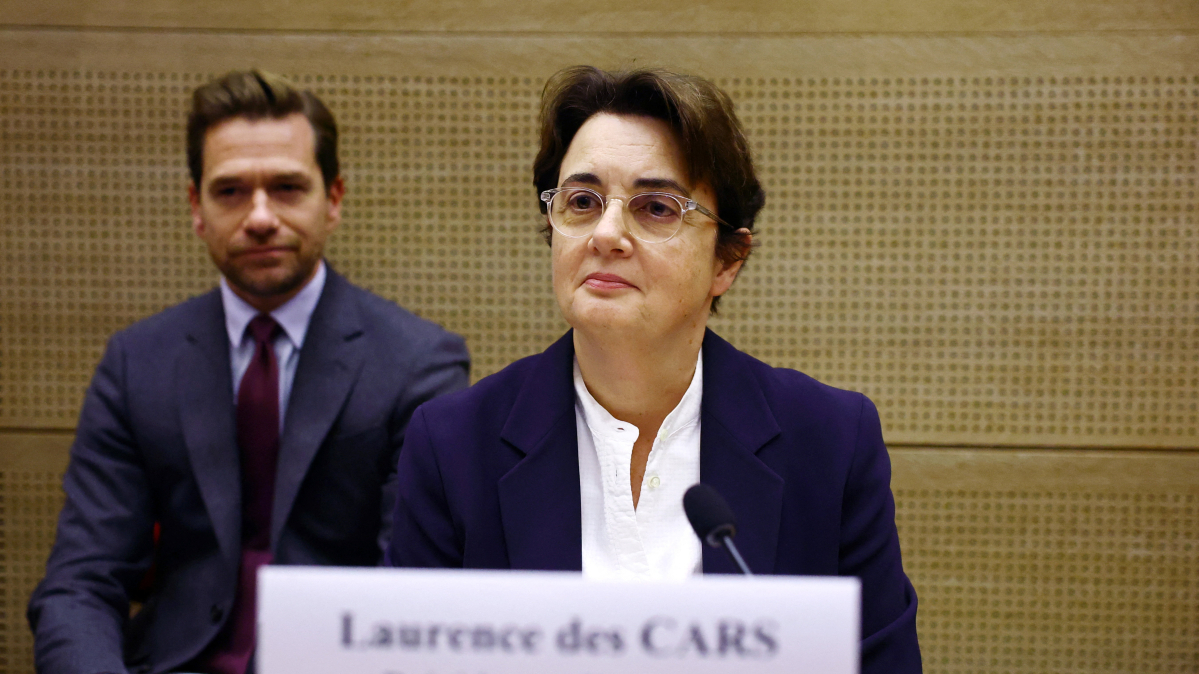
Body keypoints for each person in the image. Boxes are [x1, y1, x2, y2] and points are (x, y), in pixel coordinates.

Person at [386, 66, 920, 672]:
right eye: (582, 202)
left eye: (657, 208)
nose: (606, 234)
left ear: (727, 260)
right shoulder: (454, 445)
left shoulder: (829, 442)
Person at [27, 70, 470, 674]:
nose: (260, 217)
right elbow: (80, 583)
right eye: (231, 191)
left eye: (287, 188)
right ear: (196, 207)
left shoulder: (418, 364)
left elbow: (416, 592)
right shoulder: (137, 363)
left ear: (333, 199)